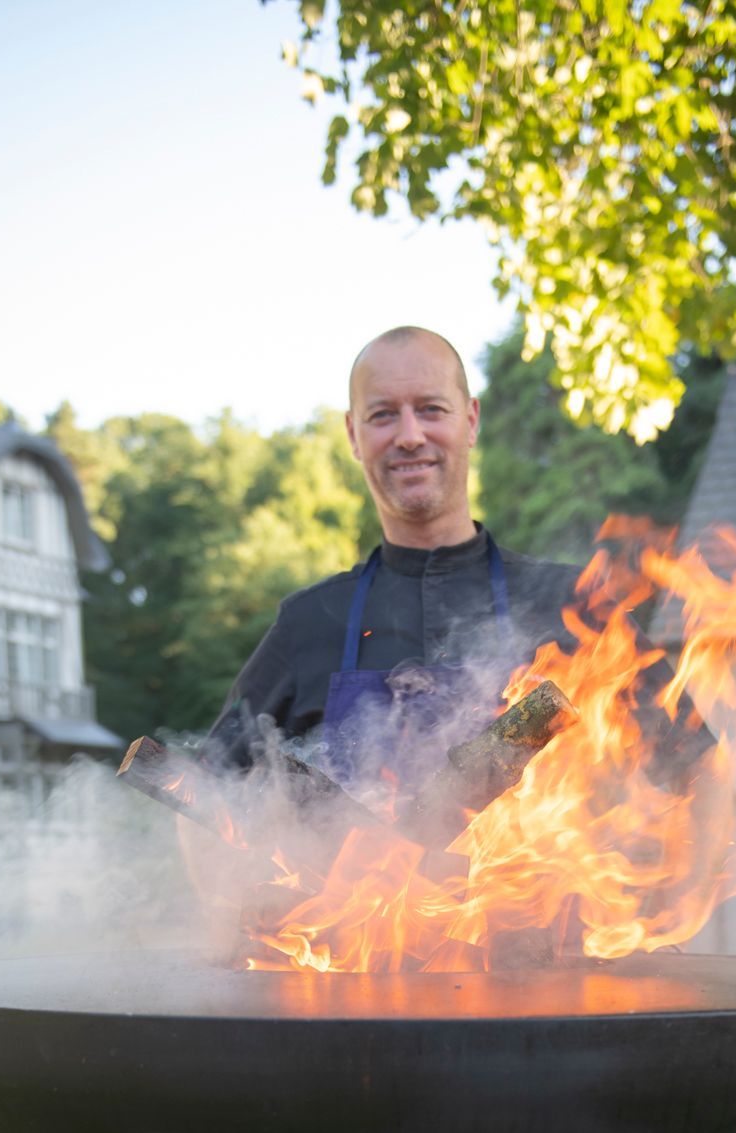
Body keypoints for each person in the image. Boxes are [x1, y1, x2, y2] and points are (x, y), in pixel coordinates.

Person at [206, 324, 710, 798]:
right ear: (353, 435)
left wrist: (690, 890)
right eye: (382, 414)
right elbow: (203, 793)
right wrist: (246, 893)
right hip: (371, 895)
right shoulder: (308, 624)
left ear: (470, 420)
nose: (409, 435)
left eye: (430, 409)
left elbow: (702, 769)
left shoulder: (571, 604)